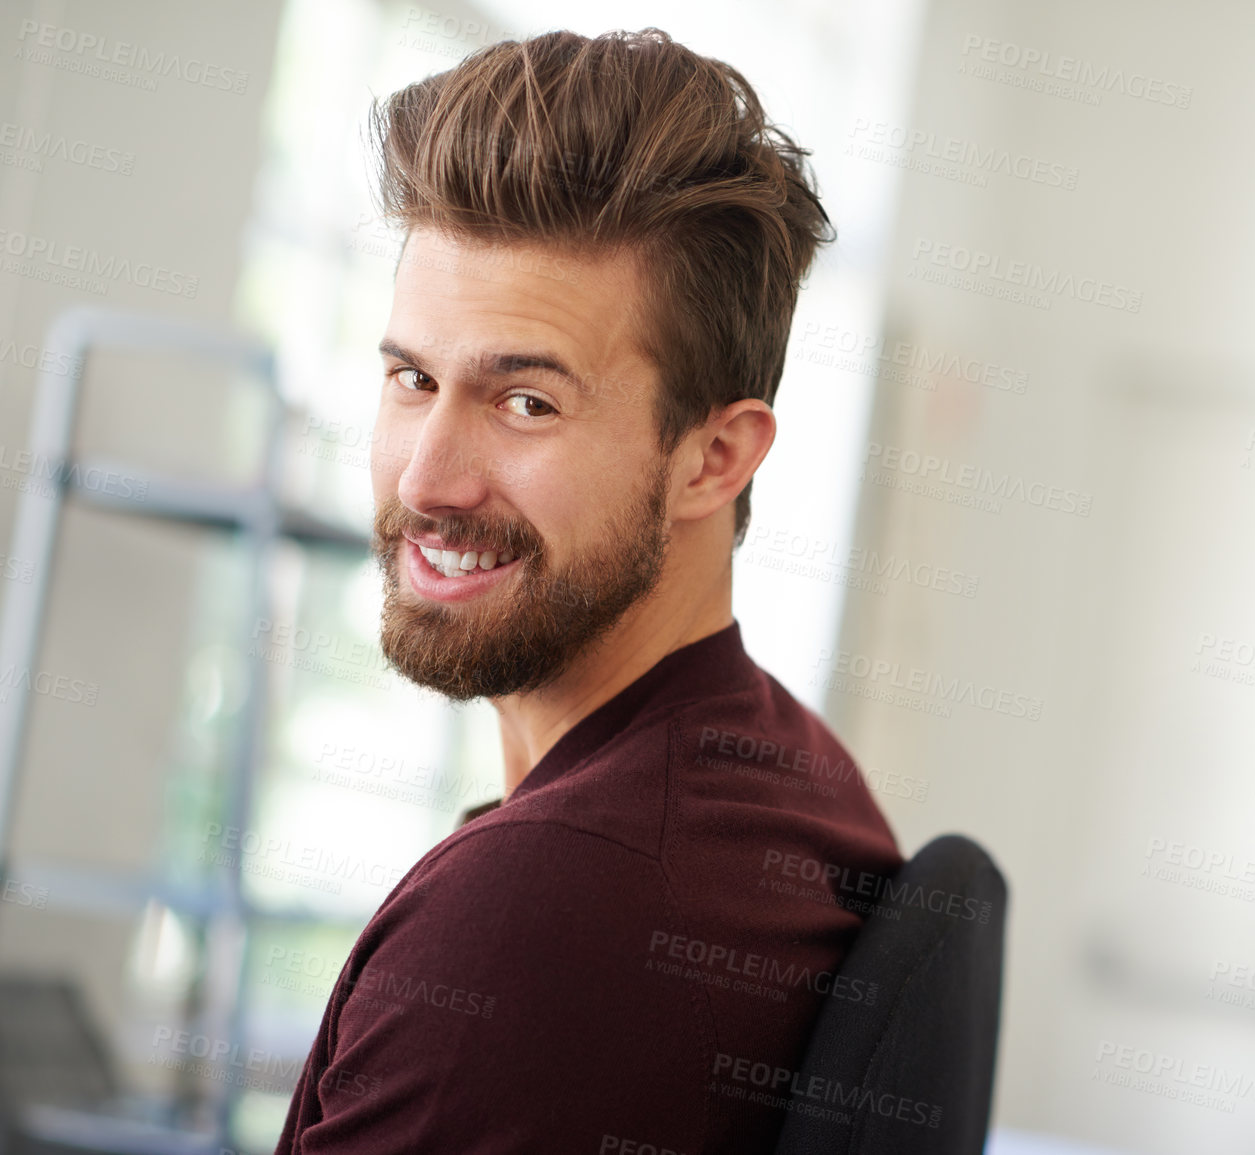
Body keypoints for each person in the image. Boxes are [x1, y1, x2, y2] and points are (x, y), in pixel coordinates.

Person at [275, 28, 902, 1153]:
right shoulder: (790, 775)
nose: (427, 480)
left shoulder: (542, 916)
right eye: (413, 379)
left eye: (527, 404)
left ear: (714, 457)